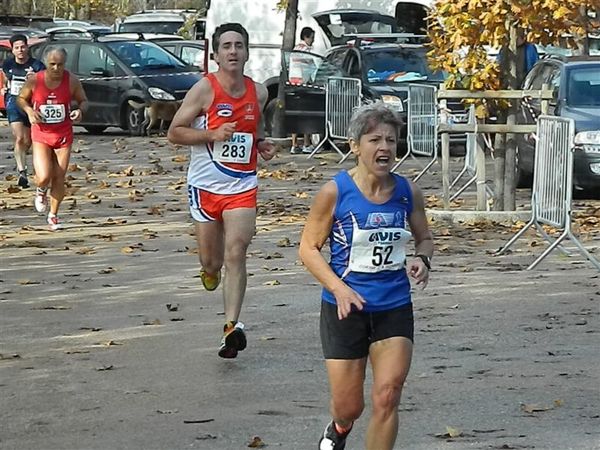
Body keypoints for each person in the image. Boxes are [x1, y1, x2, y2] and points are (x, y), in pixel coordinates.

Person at [299, 103, 433, 450]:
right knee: (349, 407)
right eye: (374, 139)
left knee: (388, 395)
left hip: (394, 306)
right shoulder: (335, 192)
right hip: (345, 309)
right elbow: (308, 249)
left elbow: (425, 238)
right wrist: (339, 289)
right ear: (354, 145)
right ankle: (340, 428)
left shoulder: (407, 192)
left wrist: (422, 259)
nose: (384, 147)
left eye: (391, 139)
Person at [167, 23, 277, 359]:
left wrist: (261, 144)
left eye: (239, 45)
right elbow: (175, 132)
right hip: (204, 187)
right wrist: (211, 135)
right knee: (212, 261)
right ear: (215, 55)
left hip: (242, 186)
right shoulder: (204, 90)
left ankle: (231, 327)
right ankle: (209, 270)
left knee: (237, 251)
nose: (233, 51)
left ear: (246, 52)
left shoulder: (258, 92)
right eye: (226, 46)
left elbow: (253, 129)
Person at [17, 47, 88, 231]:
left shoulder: (72, 80)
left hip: (63, 133)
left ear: (65, 64)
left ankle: (54, 216)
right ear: (46, 64)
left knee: (59, 176)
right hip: (41, 133)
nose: (56, 68)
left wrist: (80, 111)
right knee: (44, 176)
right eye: (52, 64)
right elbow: (21, 99)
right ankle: (41, 191)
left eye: (60, 64)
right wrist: (30, 111)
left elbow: (84, 101)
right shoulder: (35, 80)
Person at [1, 34, 46, 188]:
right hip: (14, 103)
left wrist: (36, 79)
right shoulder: (7, 64)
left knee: (28, 141)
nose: (20, 50)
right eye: (17, 48)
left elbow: (46, 84)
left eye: (23, 47)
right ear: (12, 50)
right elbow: (7, 78)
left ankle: (27, 164)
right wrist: (4, 88)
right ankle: (22, 172)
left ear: (27, 47)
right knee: (19, 138)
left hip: (31, 105)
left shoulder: (37, 65)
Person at [290, 26, 316, 155]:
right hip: (304, 85)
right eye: (312, 38)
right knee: (307, 115)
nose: (313, 41)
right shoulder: (307, 50)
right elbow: (312, 68)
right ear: (306, 37)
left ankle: (294, 145)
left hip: (293, 84)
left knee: (295, 116)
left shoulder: (295, 49)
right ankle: (306, 143)